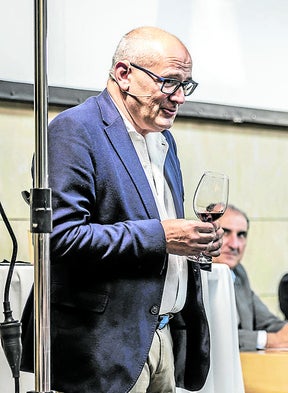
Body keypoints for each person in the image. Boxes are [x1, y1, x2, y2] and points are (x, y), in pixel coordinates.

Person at [20, 26, 223, 393]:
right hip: (101, 348)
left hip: (160, 338)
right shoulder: (73, 131)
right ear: (124, 74)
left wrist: (195, 242)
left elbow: (163, 234)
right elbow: (59, 238)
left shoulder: (163, 140)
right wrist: (164, 236)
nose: (179, 97)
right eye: (169, 82)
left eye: (186, 86)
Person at [212, 205, 288, 351]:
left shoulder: (238, 273)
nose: (235, 244)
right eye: (225, 232)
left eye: (241, 235)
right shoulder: (192, 275)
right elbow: (211, 336)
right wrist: (270, 340)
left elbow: (267, 322)